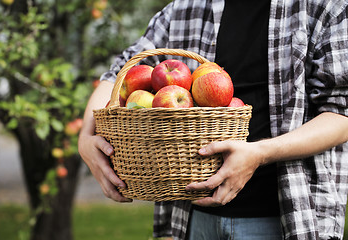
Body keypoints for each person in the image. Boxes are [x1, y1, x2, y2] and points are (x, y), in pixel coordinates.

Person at [78, 0, 348, 239]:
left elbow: (341, 114)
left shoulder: (322, 6)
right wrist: (85, 138)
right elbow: (121, 71)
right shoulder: (186, 7)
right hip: (191, 217)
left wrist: (260, 152)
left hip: (287, 216)